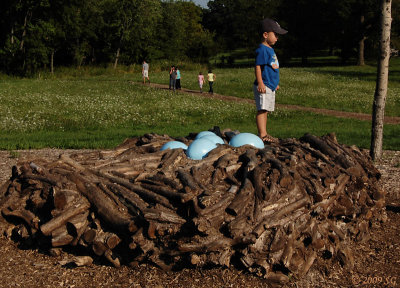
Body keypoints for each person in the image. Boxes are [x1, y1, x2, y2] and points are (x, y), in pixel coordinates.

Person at [253, 18, 287, 143]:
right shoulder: (262, 49)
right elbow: (258, 67)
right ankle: (262, 134)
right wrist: (261, 83)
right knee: (262, 109)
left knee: (265, 109)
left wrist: (275, 84)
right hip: (264, 85)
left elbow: (271, 68)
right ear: (265, 35)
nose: (277, 38)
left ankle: (265, 133)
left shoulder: (269, 49)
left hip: (270, 85)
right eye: (275, 34)